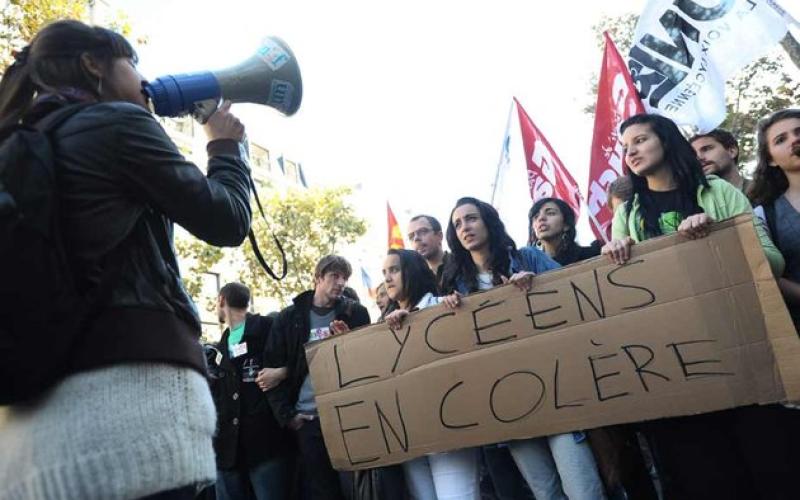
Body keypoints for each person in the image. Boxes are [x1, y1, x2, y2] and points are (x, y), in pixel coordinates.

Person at [0, 20, 252, 499]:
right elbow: (227, 220)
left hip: (29, 448)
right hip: (135, 427)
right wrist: (224, 147)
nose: (143, 80)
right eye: (133, 63)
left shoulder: (18, 141)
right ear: (93, 64)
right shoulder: (115, 124)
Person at [603, 113, 796, 500]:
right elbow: (622, 295)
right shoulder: (627, 214)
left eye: (640, 140)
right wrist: (616, 254)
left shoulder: (718, 192)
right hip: (677, 364)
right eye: (625, 147)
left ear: (666, 140)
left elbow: (772, 262)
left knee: (771, 466)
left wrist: (720, 236)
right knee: (706, 475)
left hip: (743, 349)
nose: (631, 152)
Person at [442, 197, 606, 500]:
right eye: (458, 223)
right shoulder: (458, 287)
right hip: (509, 405)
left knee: (583, 490)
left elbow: (573, 292)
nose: (465, 227)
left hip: (557, 391)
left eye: (471, 218)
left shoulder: (528, 258)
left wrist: (540, 285)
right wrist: (448, 307)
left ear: (488, 221)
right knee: (546, 493)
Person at [264, 255, 371, 500]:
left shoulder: (355, 313)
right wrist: (288, 417)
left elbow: (367, 362)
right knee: (321, 491)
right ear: (318, 278)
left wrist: (347, 341)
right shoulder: (289, 318)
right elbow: (271, 374)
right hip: (308, 420)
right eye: (334, 276)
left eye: (345, 278)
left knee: (356, 488)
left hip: (348, 415)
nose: (341, 283)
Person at [209, 283, 294, 500]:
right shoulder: (221, 346)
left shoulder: (268, 327)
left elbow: (301, 358)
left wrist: (283, 372)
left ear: (221, 300)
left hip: (264, 444)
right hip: (228, 450)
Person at [750, 108, 800, 332]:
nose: (794, 140)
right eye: (781, 139)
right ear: (770, 159)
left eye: (799, 132)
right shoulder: (765, 214)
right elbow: (766, 273)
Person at [527, 197, 602, 265]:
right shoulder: (529, 266)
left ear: (566, 225)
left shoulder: (592, 254)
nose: (541, 218)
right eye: (536, 217)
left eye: (550, 213)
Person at [690, 128, 752, 193]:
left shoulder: (758, 190)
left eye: (706, 149)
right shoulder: (693, 197)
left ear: (732, 151)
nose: (699, 158)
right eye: (694, 154)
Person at [407, 214, 451, 292]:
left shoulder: (462, 264)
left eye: (422, 232)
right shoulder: (415, 281)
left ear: (439, 236)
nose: (416, 238)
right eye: (411, 236)